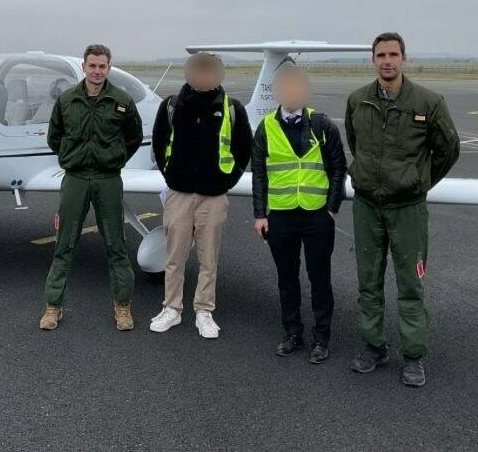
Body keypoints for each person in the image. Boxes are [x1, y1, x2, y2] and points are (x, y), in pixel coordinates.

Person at [345, 32, 460, 387]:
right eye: (381, 55)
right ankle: (373, 345)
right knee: (368, 281)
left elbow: (448, 149)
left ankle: (413, 355)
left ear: (404, 58)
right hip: (366, 205)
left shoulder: (429, 102)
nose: (387, 60)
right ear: (373, 60)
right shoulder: (357, 101)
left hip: (407, 208)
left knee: (410, 283)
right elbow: (355, 142)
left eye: (393, 54)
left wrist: (418, 182)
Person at [40, 44, 144, 331]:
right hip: (74, 179)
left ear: (108, 68)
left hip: (108, 180)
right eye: (92, 65)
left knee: (116, 245)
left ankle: (122, 307)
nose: (97, 71)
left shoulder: (121, 101)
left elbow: (134, 137)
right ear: (84, 67)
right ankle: (53, 307)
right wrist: (72, 158)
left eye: (102, 66)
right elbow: (54, 137)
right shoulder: (66, 100)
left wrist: (115, 159)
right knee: (65, 243)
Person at [149, 52, 252, 338]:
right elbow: (159, 144)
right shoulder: (170, 106)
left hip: (214, 196)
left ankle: (204, 310)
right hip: (179, 193)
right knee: (175, 255)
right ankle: (172, 308)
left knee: (209, 259)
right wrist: (171, 175)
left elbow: (244, 149)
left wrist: (226, 181)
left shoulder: (232, 108)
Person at [251, 62, 347, 363]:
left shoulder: (322, 124)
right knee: (286, 278)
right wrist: (260, 214)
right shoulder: (266, 127)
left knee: (319, 277)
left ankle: (321, 337)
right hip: (281, 215)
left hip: (316, 215)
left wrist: (331, 209)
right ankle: (292, 332)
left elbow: (338, 168)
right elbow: (258, 173)